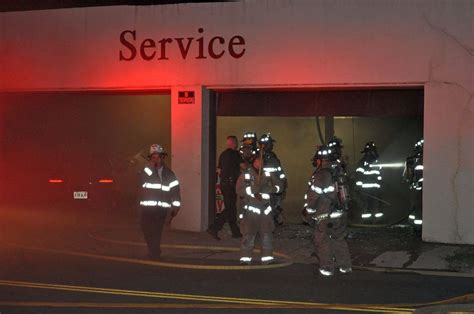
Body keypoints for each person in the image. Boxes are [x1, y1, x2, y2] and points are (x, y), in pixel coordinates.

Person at [304, 145, 352, 276]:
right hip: (340, 213)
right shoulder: (339, 171)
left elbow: (314, 195)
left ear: (320, 159)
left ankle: (327, 268)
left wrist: (309, 210)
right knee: (339, 239)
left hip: (324, 213)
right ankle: (345, 266)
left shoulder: (321, 174)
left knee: (322, 240)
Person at [237, 154, 282, 265]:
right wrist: (253, 190)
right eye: (258, 160)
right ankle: (245, 259)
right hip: (251, 212)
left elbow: (280, 186)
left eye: (262, 161)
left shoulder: (268, 175)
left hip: (265, 212)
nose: (260, 163)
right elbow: (239, 190)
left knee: (267, 236)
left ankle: (267, 259)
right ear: (254, 161)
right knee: (248, 236)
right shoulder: (246, 175)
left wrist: (269, 189)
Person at [139, 144, 181, 260]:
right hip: (147, 208)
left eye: (158, 156)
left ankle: (154, 252)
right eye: (154, 157)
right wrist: (151, 168)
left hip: (161, 209)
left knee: (156, 231)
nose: (156, 159)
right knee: (146, 229)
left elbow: (175, 191)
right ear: (150, 158)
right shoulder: (147, 171)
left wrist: (175, 207)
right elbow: (140, 182)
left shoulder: (169, 173)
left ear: (162, 157)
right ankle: (154, 250)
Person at [208, 135, 245, 240]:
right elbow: (243, 166)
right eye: (236, 142)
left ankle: (235, 232)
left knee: (232, 208)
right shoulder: (235, 154)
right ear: (234, 143)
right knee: (229, 208)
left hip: (224, 184)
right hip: (231, 184)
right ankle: (214, 228)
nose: (237, 145)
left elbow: (218, 170)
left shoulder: (223, 154)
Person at [258, 133, 287, 225]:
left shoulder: (272, 156)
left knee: (276, 204)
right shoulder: (259, 157)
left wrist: (283, 181)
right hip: (266, 186)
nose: (272, 145)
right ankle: (267, 222)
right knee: (267, 205)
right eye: (271, 143)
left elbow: (279, 170)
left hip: (275, 185)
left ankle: (274, 220)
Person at [355, 141, 384, 223]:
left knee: (375, 204)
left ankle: (377, 220)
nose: (374, 153)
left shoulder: (377, 162)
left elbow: (379, 174)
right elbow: (359, 175)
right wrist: (359, 187)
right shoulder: (362, 162)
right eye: (372, 151)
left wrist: (380, 184)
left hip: (375, 188)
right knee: (366, 205)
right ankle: (367, 221)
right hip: (366, 189)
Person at [404, 139, 424, 230]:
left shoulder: (414, 159)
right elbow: (408, 175)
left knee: (417, 207)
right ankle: (417, 227)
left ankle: (417, 227)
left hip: (418, 188)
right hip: (419, 188)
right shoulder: (415, 159)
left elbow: (408, 176)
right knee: (417, 207)